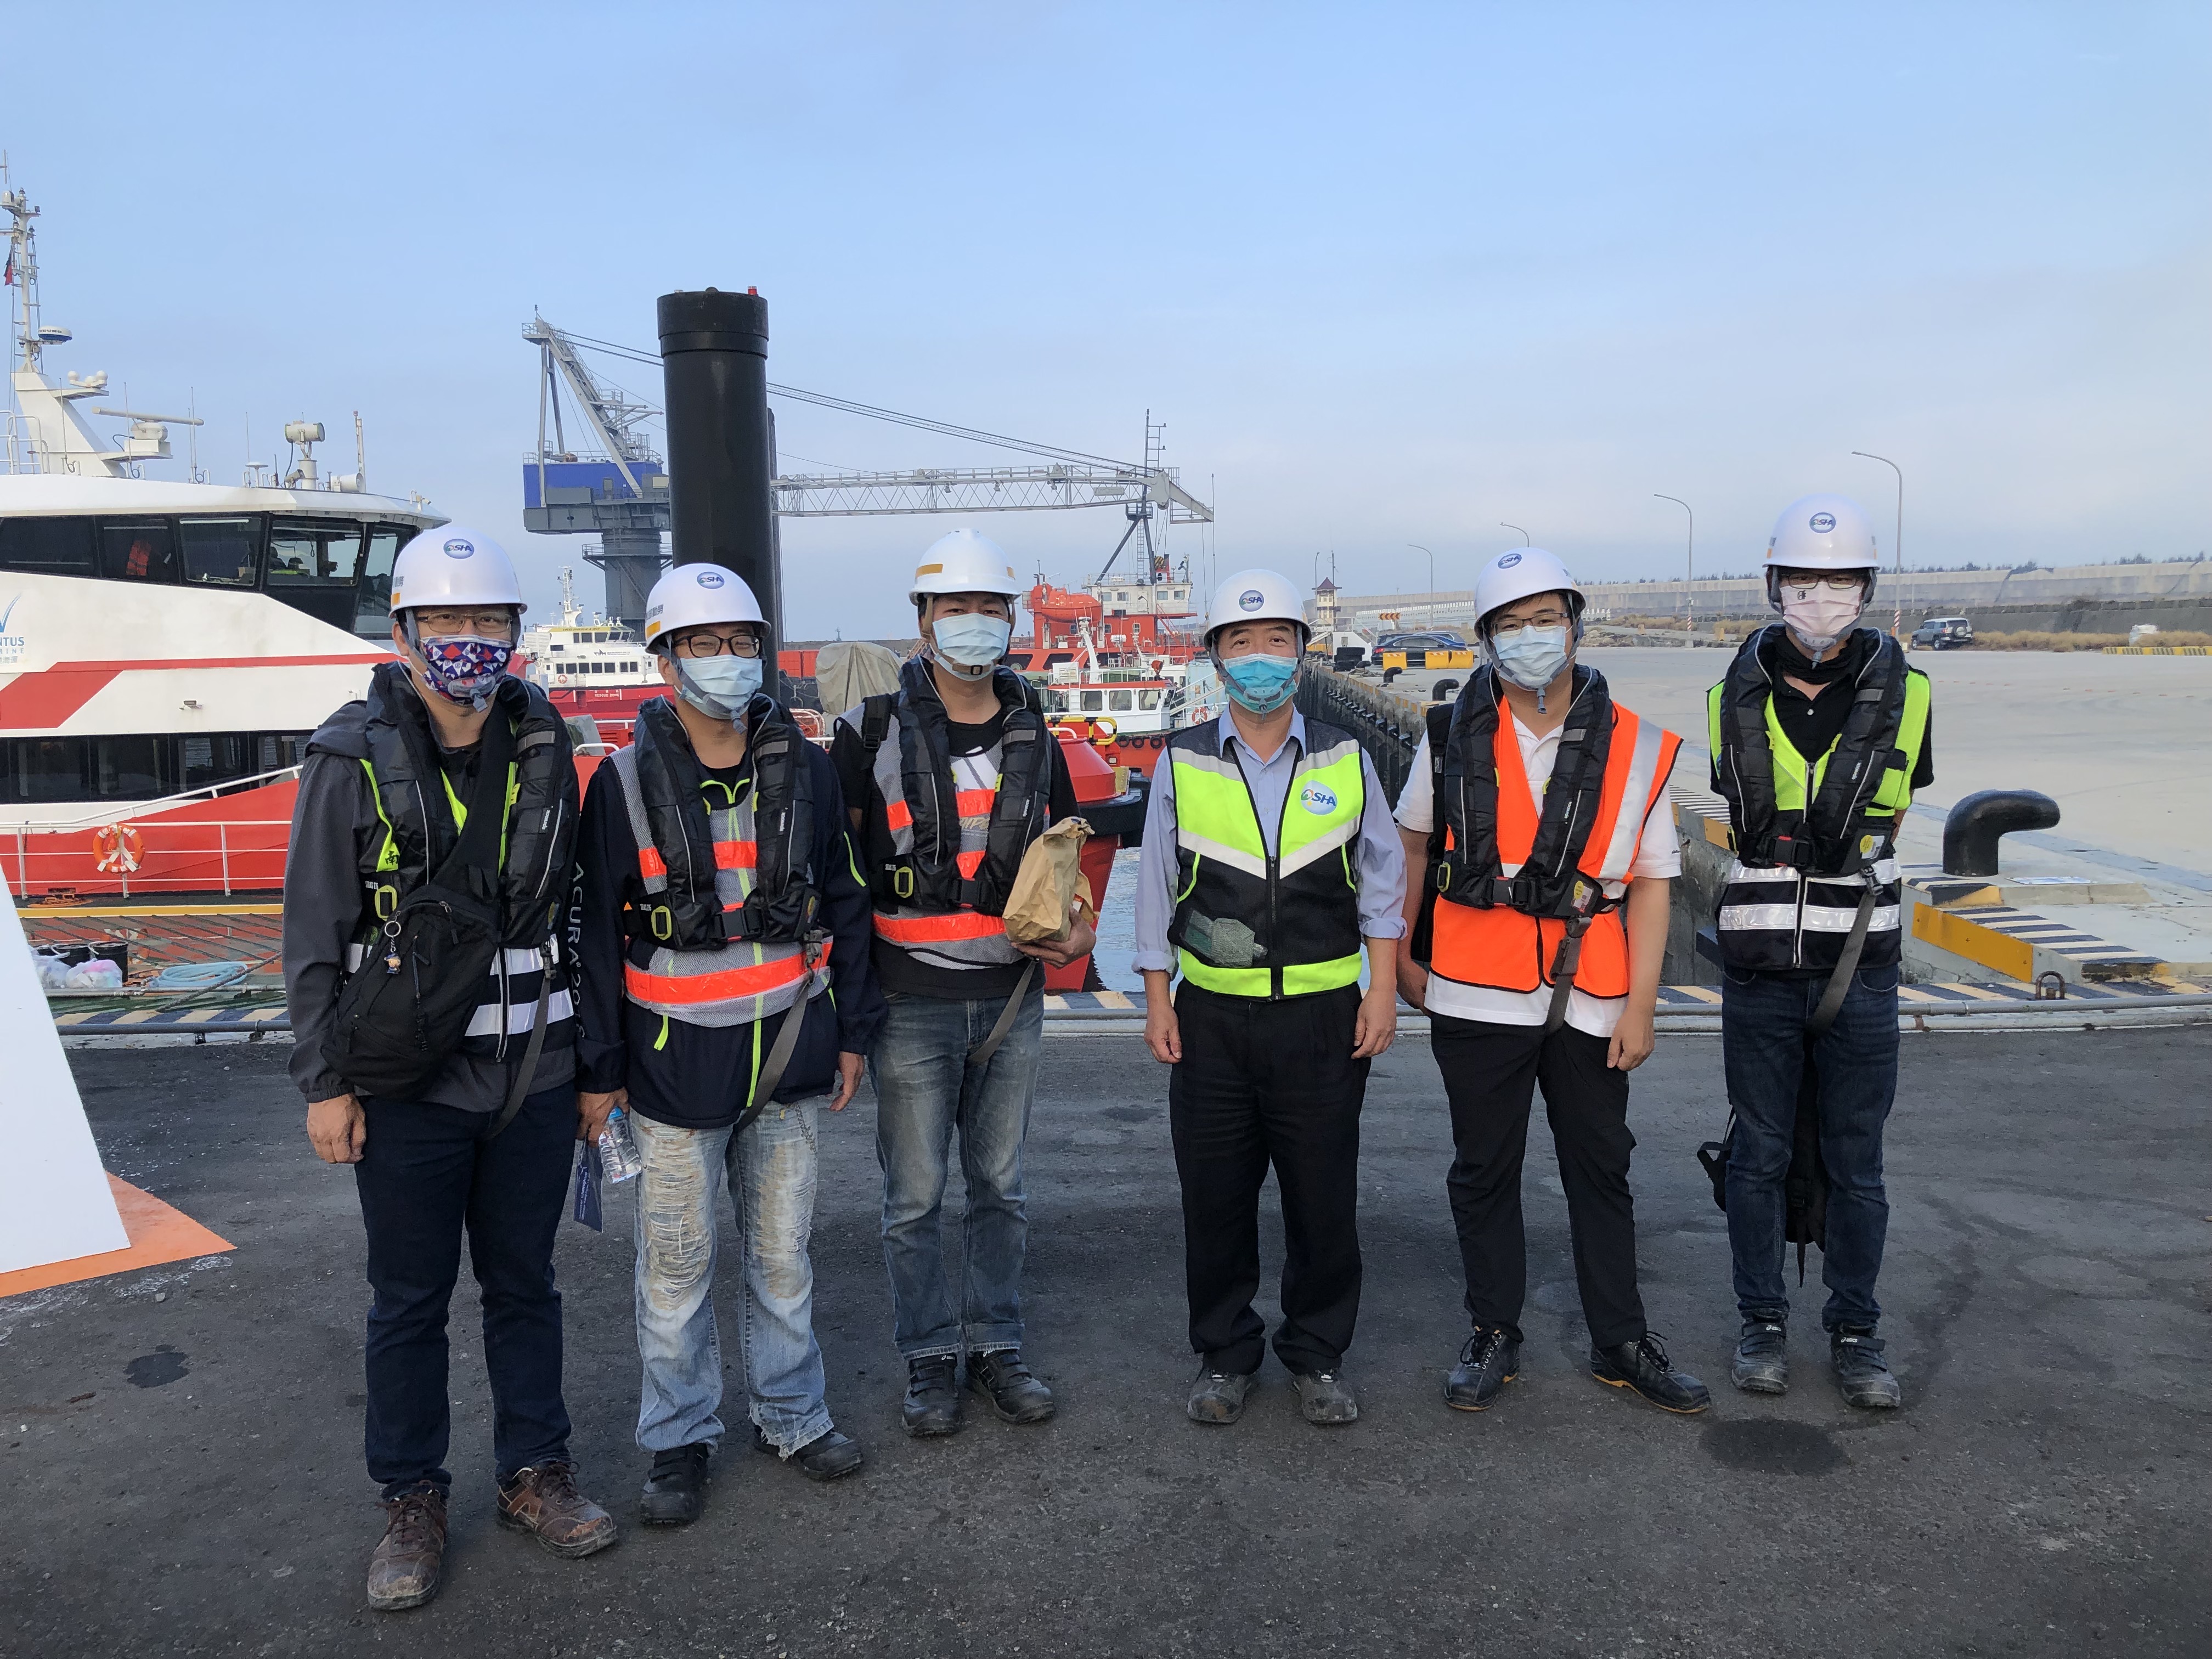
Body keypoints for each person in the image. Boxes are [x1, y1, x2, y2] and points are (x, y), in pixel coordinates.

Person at [284, 527, 616, 1613]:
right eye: (446, 621)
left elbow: (580, 917)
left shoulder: (546, 747)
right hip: (405, 1088)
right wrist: (324, 1085)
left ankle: (535, 1471)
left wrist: (593, 1071)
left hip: (533, 1078)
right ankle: (411, 1497)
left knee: (527, 1284)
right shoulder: (348, 759)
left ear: (515, 634)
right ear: (404, 633)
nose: (467, 640)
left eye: (487, 621)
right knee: (408, 1299)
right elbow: (314, 932)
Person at [574, 563, 885, 1525]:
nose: (727, 660)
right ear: (666, 661)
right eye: (703, 645)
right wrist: (600, 1074)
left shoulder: (809, 772)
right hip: (673, 1070)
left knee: (784, 1257)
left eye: (742, 643)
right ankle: (678, 1438)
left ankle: (793, 1413)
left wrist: (853, 1033)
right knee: (675, 1267)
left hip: (789, 1053)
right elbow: (594, 940)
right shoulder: (619, 786)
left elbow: (846, 900)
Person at [1396, 548, 1708, 1417]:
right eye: (1510, 624)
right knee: (1483, 1169)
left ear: (1575, 625)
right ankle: (1492, 1330)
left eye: (1545, 619)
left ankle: (1621, 1340)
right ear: (1486, 640)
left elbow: (1653, 885)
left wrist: (1642, 1006)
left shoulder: (1638, 745)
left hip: (1592, 996)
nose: (1531, 637)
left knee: (1601, 1168)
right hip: (1470, 990)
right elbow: (1412, 849)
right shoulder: (1446, 734)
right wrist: (1403, 958)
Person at [830, 529, 1095, 1437]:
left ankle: (997, 1346)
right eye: (956, 608)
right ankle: (927, 1356)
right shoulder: (867, 733)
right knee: (913, 1199)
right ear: (924, 620)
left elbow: (1064, 856)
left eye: (990, 608)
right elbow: (842, 874)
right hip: (909, 1003)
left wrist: (1076, 927)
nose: (974, 623)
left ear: (1011, 621)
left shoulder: (1036, 734)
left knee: (1001, 1188)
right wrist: (850, 1013)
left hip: (1012, 1001)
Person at [1137, 568, 1403, 1427]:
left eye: (1277, 641)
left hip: (1324, 1018)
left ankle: (1317, 1354)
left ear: (1301, 653)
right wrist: (1157, 997)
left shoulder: (1345, 756)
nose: (1260, 658)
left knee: (1322, 1199)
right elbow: (1154, 885)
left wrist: (1382, 991)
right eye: (1242, 643)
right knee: (1215, 1199)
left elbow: (1382, 882)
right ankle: (1225, 1354)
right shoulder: (1182, 759)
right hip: (1211, 1018)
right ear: (1216, 658)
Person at [1707, 495, 1932, 1410]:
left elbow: (1897, 812)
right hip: (1758, 967)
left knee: (1857, 1161)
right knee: (1757, 1153)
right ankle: (1761, 1321)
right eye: (1804, 580)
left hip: (1861, 969)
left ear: (1866, 588)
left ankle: (1856, 1331)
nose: (1821, 597)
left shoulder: (1912, 696)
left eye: (1839, 581)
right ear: (1774, 585)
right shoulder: (1728, 698)